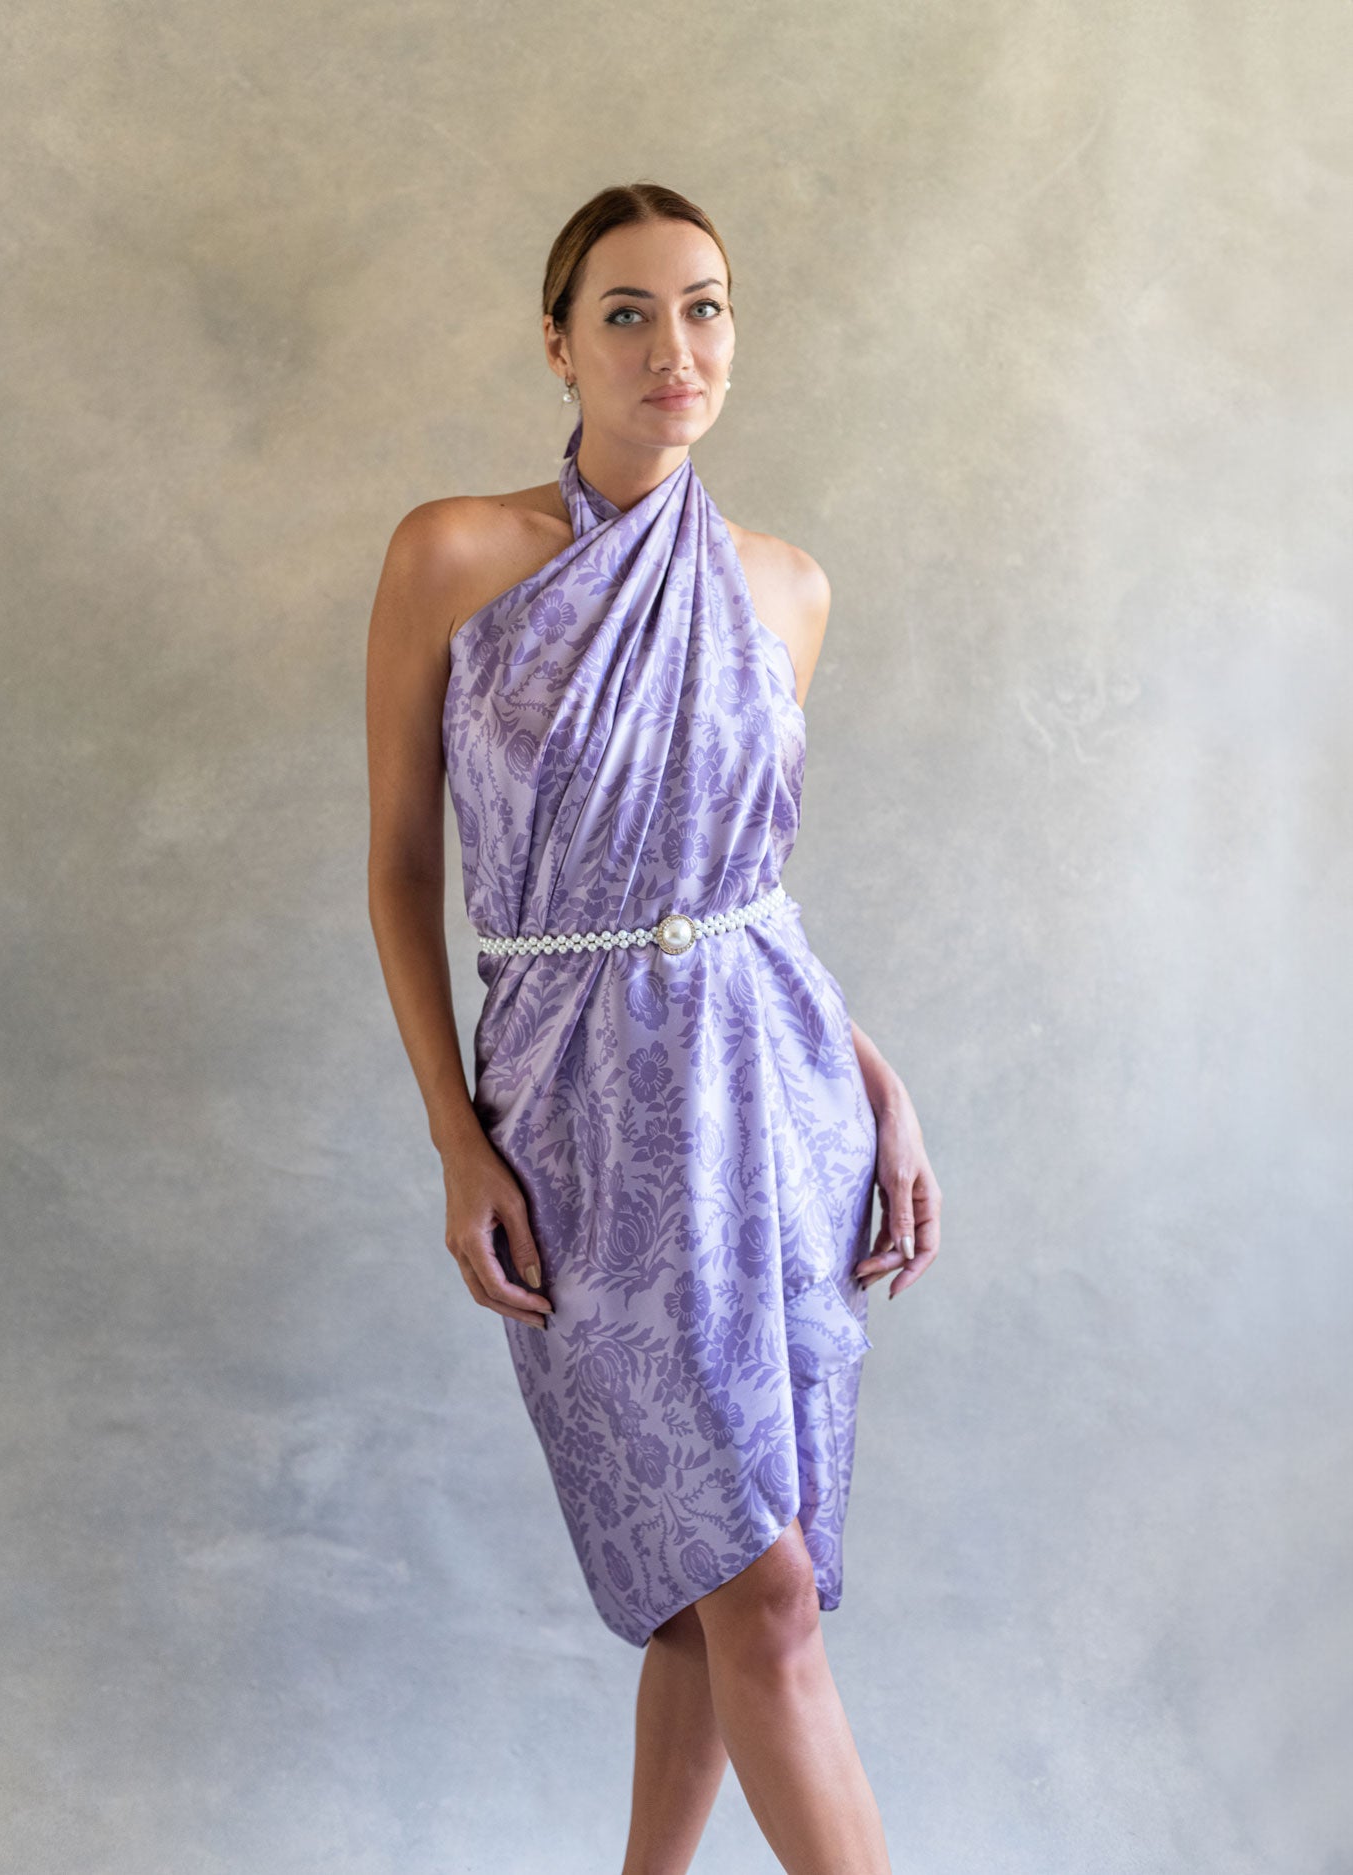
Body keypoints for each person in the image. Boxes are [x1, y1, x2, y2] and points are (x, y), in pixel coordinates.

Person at [367, 180, 942, 1875]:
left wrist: (879, 1085)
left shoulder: (787, 587)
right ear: (557, 344)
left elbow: (750, 896)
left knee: (731, 1583)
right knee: (746, 1579)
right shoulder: (453, 555)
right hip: (575, 1107)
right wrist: (453, 1136)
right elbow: (404, 871)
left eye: (704, 307)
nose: (672, 346)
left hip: (777, 1097)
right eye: (624, 311)